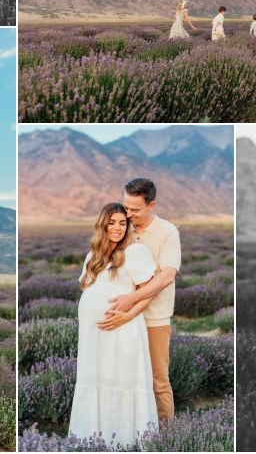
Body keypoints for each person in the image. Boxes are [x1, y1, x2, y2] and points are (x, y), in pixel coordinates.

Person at [68, 203, 159, 448]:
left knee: (120, 377)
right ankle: (93, 440)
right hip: (93, 333)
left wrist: (127, 316)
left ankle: (123, 442)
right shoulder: (93, 255)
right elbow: (88, 289)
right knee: (96, 377)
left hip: (122, 327)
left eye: (122, 222)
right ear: (103, 224)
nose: (117, 228)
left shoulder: (134, 251)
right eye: (112, 222)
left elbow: (149, 292)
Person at [100, 178, 180, 426]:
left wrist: (131, 300)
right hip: (121, 319)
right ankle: (129, 429)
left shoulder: (167, 232)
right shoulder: (122, 228)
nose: (129, 213)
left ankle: (165, 436)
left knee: (158, 379)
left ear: (151, 205)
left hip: (153, 318)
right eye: (126, 207)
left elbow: (167, 275)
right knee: (125, 378)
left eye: (135, 209)